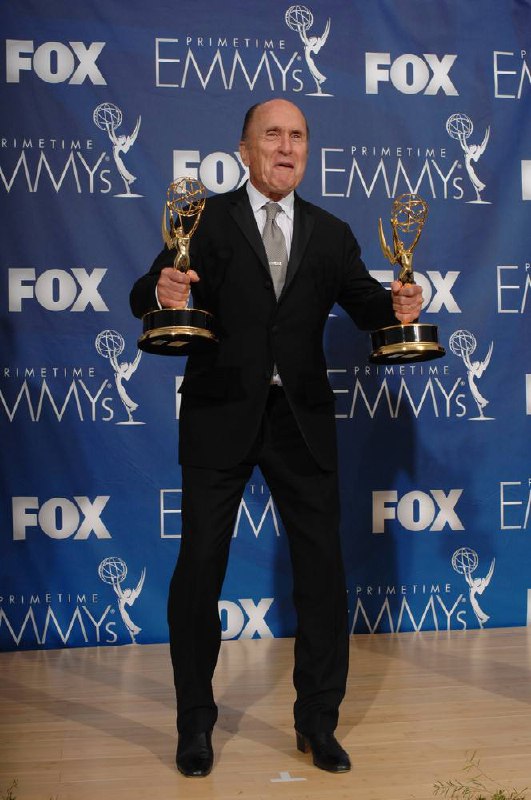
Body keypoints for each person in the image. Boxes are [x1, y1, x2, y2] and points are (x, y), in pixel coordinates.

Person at [130, 98, 423, 778]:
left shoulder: (332, 232)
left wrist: (399, 304)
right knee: (199, 569)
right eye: (272, 135)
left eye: (296, 137)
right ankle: (194, 723)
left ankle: (318, 723)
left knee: (322, 574)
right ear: (244, 149)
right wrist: (163, 290)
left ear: (307, 151)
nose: (286, 147)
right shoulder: (203, 221)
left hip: (302, 422)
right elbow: (145, 289)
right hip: (219, 414)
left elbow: (367, 306)